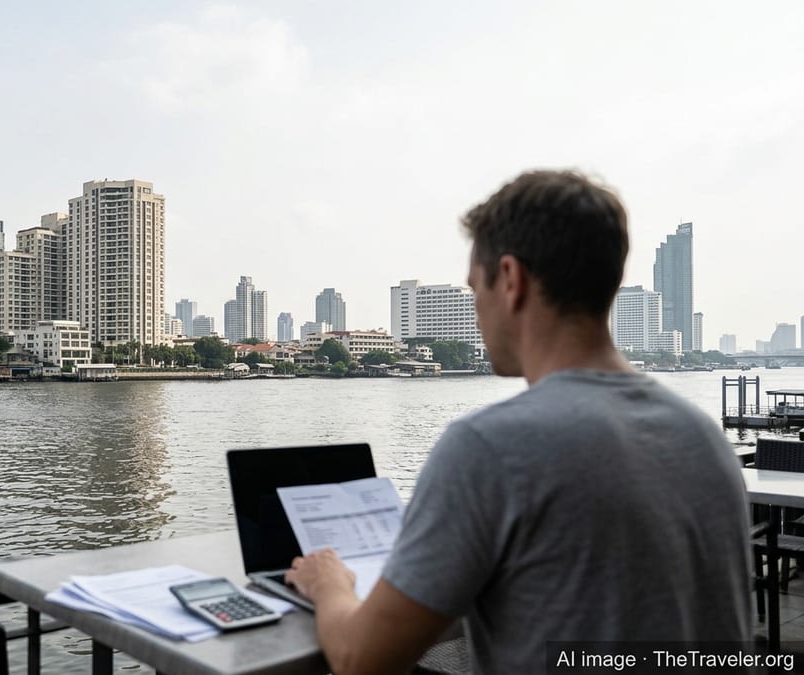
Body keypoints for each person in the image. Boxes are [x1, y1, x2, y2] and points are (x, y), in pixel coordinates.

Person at [285, 170, 752, 673]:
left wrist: (328, 582)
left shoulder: (489, 448)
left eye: (474, 290)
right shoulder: (703, 437)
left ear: (510, 280)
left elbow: (360, 659)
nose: (477, 310)